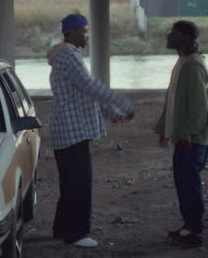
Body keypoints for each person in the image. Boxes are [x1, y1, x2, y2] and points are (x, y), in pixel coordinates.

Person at [46, 13, 135, 248]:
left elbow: (85, 91)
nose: (86, 34)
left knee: (70, 183)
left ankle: (62, 228)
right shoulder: (69, 56)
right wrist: (124, 104)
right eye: (84, 30)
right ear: (72, 32)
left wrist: (112, 113)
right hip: (72, 130)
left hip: (67, 130)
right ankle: (77, 234)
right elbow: (90, 86)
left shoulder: (65, 56)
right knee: (80, 184)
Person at [155, 20, 208, 248]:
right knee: (183, 182)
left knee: (189, 183)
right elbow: (173, 99)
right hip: (183, 136)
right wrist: (165, 130)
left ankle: (194, 231)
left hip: (193, 139)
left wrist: (187, 132)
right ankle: (188, 227)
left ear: (187, 37)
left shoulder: (192, 65)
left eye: (174, 33)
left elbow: (199, 105)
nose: (169, 36)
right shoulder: (182, 62)